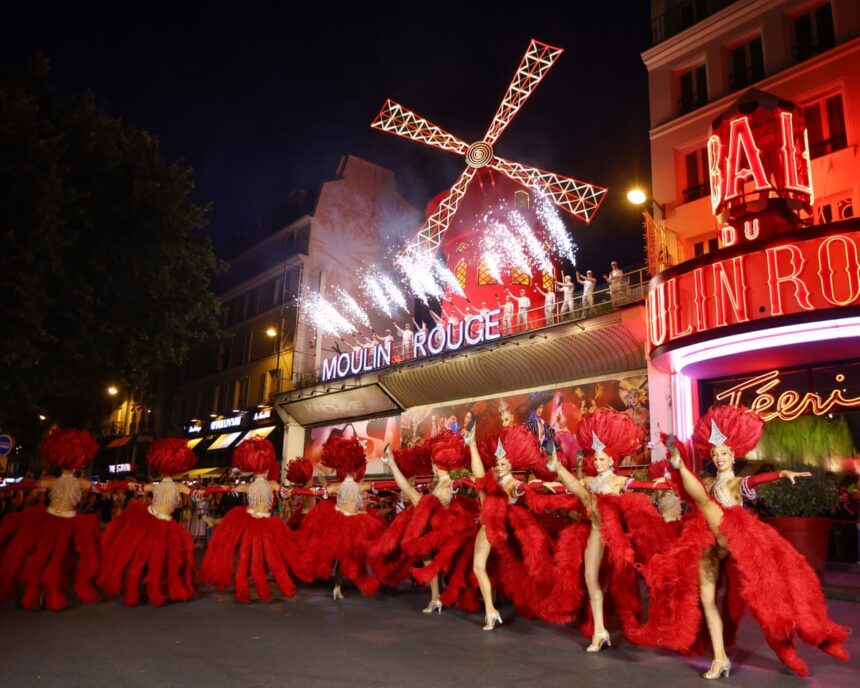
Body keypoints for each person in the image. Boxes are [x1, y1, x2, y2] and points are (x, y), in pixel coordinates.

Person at [640, 405, 850, 679]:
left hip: (734, 536)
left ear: (733, 455)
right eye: (715, 454)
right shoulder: (707, 481)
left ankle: (801, 645)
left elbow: (755, 480)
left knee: (767, 598)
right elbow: (688, 493)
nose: (719, 458)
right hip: (709, 542)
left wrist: (781, 474)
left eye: (723, 453)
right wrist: (666, 481)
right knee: (706, 599)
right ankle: (720, 658)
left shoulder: (736, 482)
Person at [544, 409, 674, 652]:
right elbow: (571, 488)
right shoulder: (590, 481)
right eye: (596, 458)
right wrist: (548, 479)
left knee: (625, 585)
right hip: (596, 531)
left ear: (612, 460)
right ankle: (600, 630)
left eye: (602, 458)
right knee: (589, 577)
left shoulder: (619, 481)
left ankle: (636, 622)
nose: (598, 461)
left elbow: (641, 485)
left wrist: (661, 482)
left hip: (617, 537)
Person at [371, 432, 480, 614]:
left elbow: (472, 487)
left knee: (438, 558)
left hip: (445, 531)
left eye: (432, 462)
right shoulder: (442, 483)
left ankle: (439, 597)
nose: (431, 465)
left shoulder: (450, 484)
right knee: (428, 556)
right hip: (434, 529)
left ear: (437, 465)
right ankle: (436, 597)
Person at [0, 428, 102, 610]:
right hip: (61, 521)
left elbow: (26, 484)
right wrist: (131, 485)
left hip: (55, 520)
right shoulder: (82, 483)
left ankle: (42, 590)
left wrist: (7, 487)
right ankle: (47, 590)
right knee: (57, 556)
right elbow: (105, 488)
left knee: (46, 556)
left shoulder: (53, 481)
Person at [200, 438, 303, 603]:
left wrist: (208, 490)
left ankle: (245, 587)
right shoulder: (271, 484)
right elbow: (287, 492)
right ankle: (272, 587)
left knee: (247, 556)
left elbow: (227, 489)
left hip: (252, 521)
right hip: (262, 522)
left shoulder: (250, 485)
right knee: (270, 557)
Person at [98, 438, 197, 606]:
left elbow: (134, 487)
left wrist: (117, 485)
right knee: (156, 559)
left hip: (155, 523)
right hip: (155, 523)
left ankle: (143, 589)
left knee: (145, 557)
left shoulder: (158, 486)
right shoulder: (174, 487)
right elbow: (200, 493)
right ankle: (148, 589)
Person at [296, 435, 386, 599]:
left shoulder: (340, 486)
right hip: (346, 522)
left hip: (349, 522)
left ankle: (338, 586)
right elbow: (376, 487)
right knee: (346, 556)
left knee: (344, 556)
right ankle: (338, 586)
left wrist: (320, 490)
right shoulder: (359, 486)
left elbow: (322, 493)